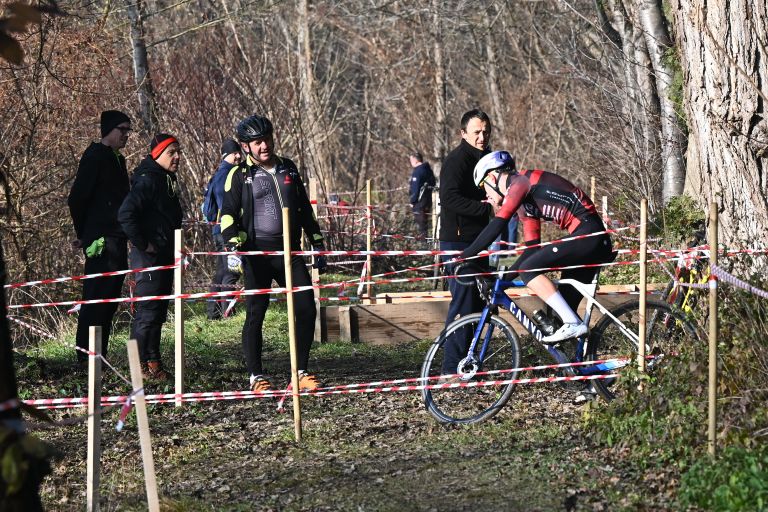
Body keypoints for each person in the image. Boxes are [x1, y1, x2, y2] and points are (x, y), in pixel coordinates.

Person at [219, 114, 327, 393]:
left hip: (290, 252)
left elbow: (304, 207)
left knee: (306, 307)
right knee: (257, 312)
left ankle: (300, 372)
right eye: (257, 142)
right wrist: (233, 243)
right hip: (257, 255)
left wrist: (317, 241)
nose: (264, 146)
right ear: (246, 146)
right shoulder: (239, 175)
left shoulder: (288, 168)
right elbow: (227, 214)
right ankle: (256, 376)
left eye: (266, 139)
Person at [460, 150, 614, 343]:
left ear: (492, 176)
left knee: (529, 270)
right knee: (558, 318)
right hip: (587, 240)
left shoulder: (520, 182)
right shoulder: (526, 204)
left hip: (590, 236)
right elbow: (531, 250)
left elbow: (498, 224)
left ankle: (574, 324)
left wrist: (465, 255)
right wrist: (501, 278)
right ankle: (577, 365)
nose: (486, 194)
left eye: (483, 187)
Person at [68, 110, 132, 365]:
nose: (126, 135)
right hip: (101, 241)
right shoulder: (94, 156)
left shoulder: (119, 160)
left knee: (110, 301)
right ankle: (85, 357)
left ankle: (99, 355)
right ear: (108, 130)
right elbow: (77, 198)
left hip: (119, 239)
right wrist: (84, 234)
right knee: (95, 299)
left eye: (128, 130)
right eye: (122, 130)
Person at [118, 134, 183, 380]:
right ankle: (137, 368)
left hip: (165, 256)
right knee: (146, 313)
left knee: (158, 313)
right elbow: (126, 214)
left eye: (178, 152)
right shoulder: (148, 180)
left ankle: (153, 362)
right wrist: (145, 244)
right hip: (148, 260)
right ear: (157, 155)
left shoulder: (165, 179)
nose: (177, 157)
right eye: (171, 152)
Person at [438, 109, 493, 374]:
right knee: (462, 305)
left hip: (482, 241)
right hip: (458, 243)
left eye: (485, 132)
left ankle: (469, 361)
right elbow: (448, 198)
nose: (482, 137)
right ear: (463, 134)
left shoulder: (490, 158)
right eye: (477, 133)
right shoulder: (456, 161)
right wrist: (485, 208)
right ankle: (450, 368)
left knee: (480, 304)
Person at [204, 138, 242, 320]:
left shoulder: (217, 174)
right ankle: (228, 313)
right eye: (238, 153)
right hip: (227, 229)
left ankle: (214, 313)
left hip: (218, 229)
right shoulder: (229, 174)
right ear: (234, 154)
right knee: (231, 271)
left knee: (221, 271)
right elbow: (227, 203)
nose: (240, 157)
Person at [408, 151, 436, 239]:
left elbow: (415, 188)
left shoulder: (418, 172)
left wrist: (413, 200)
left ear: (414, 160)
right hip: (428, 200)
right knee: (426, 224)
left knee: (421, 226)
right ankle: (427, 242)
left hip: (419, 203)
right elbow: (433, 183)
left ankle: (423, 246)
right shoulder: (428, 170)